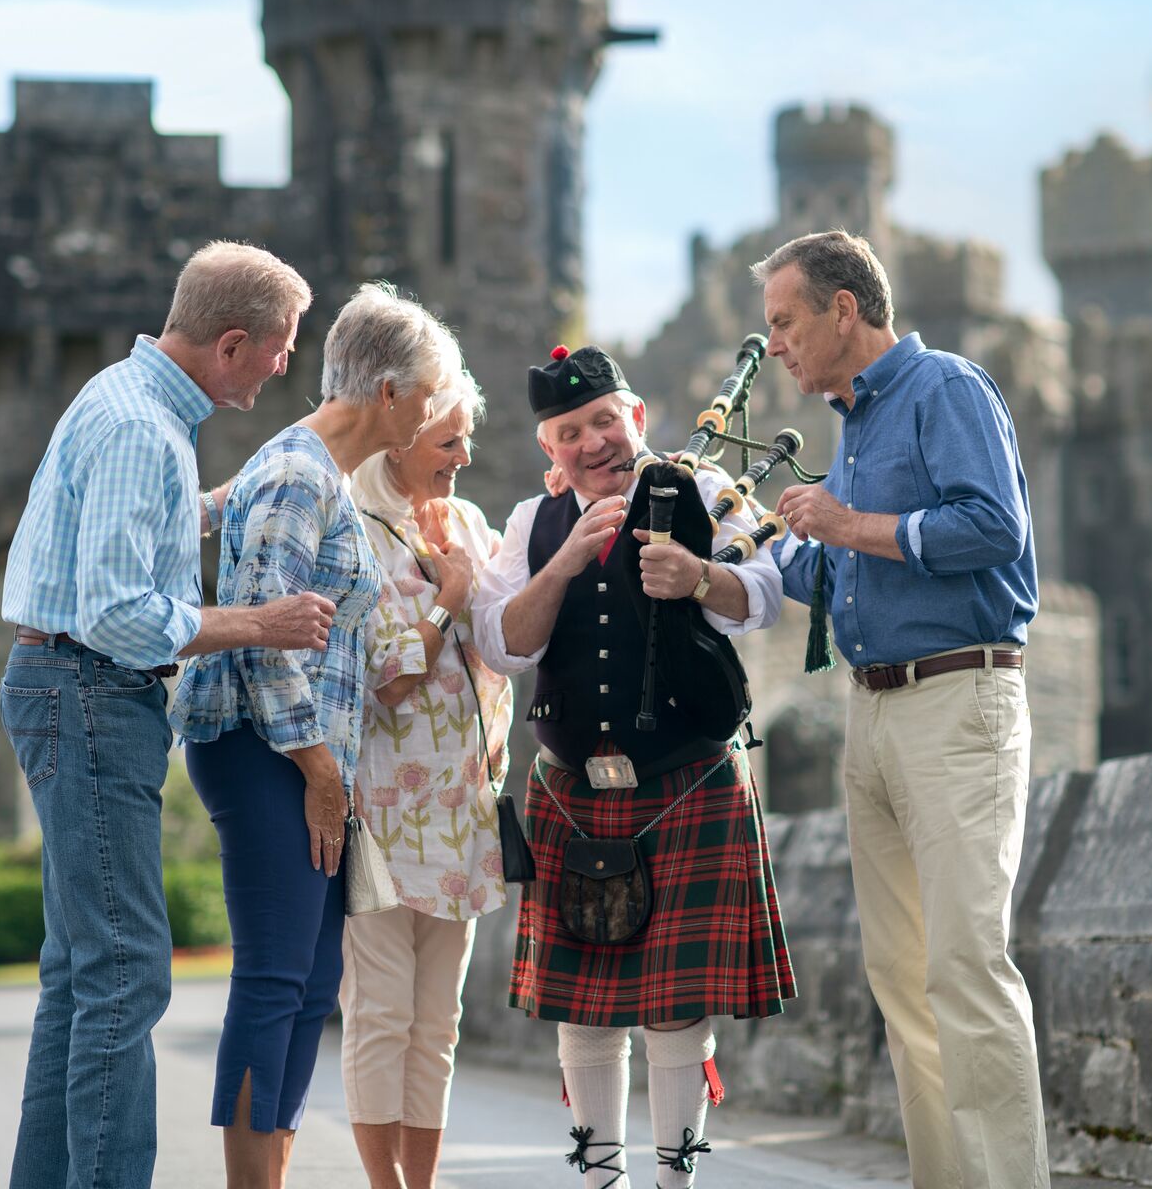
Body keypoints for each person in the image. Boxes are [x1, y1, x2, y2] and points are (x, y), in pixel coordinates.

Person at [0, 240, 336, 1189]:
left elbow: (130, 534)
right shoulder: (141, 428)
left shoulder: (128, 401)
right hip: (89, 691)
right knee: (127, 972)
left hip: (68, 688)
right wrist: (258, 621)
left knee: (79, 973)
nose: (284, 366)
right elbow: (114, 611)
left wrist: (218, 503)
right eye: (279, 348)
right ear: (233, 343)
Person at [756, 229, 1048, 1189]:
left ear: (846, 310)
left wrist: (849, 523)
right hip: (874, 717)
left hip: (959, 702)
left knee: (966, 971)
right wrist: (736, 540)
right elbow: (831, 566)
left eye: (787, 322)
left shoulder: (946, 389)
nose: (779, 346)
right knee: (904, 983)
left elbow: (994, 527)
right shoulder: (857, 424)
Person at [472, 344, 795, 1189]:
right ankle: (600, 1182)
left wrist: (698, 578)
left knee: (676, 1009)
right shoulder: (531, 524)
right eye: (570, 431)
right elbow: (506, 645)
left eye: (605, 421)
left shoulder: (703, 492)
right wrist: (567, 560)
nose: (593, 443)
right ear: (550, 448)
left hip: (689, 778)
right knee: (584, 1009)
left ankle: (674, 1181)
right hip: (575, 793)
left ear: (637, 417)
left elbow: (764, 594)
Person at [169, 283, 464, 1189]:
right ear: (388, 394)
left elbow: (359, 652)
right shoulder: (299, 473)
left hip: (294, 755)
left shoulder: (314, 474)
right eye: (430, 394)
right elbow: (264, 639)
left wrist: (446, 604)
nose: (435, 412)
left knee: (307, 986)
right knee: (274, 980)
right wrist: (321, 774)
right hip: (265, 751)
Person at [339, 368, 513, 1189]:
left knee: (438, 1023)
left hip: (462, 807)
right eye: (449, 439)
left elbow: (506, 649)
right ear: (402, 435)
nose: (464, 455)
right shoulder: (353, 524)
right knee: (382, 1015)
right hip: (380, 808)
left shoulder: (471, 524)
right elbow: (388, 676)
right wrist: (446, 601)